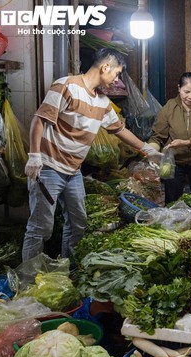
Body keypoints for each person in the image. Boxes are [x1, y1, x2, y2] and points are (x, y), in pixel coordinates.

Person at [22, 48, 160, 262]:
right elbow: (39, 119)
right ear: (105, 67)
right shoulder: (66, 85)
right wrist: (34, 156)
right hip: (49, 168)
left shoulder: (102, 102)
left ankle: (70, 272)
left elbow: (120, 130)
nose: (117, 80)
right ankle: (28, 279)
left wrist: (147, 149)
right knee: (41, 228)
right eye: (117, 74)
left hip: (73, 172)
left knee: (78, 225)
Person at [149, 72, 191, 203]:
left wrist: (186, 142)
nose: (190, 97)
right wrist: (152, 151)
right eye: (186, 92)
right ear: (179, 88)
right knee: (172, 198)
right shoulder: (169, 107)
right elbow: (158, 136)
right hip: (173, 160)